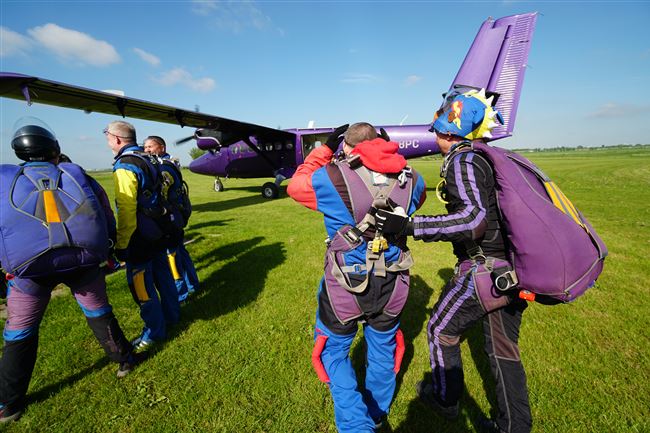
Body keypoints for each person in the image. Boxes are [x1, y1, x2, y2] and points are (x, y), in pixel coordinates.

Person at [374, 89, 532, 433]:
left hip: (483, 269)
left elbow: (473, 221)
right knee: (503, 351)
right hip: (510, 270)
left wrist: (410, 225)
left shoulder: (462, 160)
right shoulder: (484, 157)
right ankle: (514, 426)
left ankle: (445, 401)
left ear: (447, 130)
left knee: (439, 330)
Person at [0, 118, 142, 423]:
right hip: (83, 260)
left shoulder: (6, 178)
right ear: (54, 148)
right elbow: (104, 213)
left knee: (20, 330)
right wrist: (109, 248)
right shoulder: (77, 174)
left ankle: (9, 403)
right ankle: (125, 360)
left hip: (30, 270)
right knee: (98, 312)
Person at [287, 122, 426, 432]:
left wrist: (325, 149)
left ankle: (355, 425)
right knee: (383, 349)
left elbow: (295, 186)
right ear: (381, 141)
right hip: (393, 282)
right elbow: (416, 201)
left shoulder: (330, 176)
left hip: (344, 287)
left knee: (333, 352)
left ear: (347, 147)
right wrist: (387, 157)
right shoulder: (414, 179)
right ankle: (376, 415)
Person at [105, 121, 180, 350]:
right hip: (158, 229)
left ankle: (154, 332)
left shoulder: (126, 165)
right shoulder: (150, 158)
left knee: (141, 285)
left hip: (139, 236)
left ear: (117, 139)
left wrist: (122, 244)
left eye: (107, 136)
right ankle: (173, 316)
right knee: (164, 276)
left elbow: (126, 208)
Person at [143, 136, 199, 302]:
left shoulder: (164, 167)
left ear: (161, 147)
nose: (147, 150)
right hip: (177, 216)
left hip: (170, 218)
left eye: (150, 146)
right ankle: (193, 285)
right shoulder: (169, 162)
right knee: (180, 252)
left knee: (172, 256)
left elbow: (162, 192)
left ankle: (180, 294)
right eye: (145, 147)